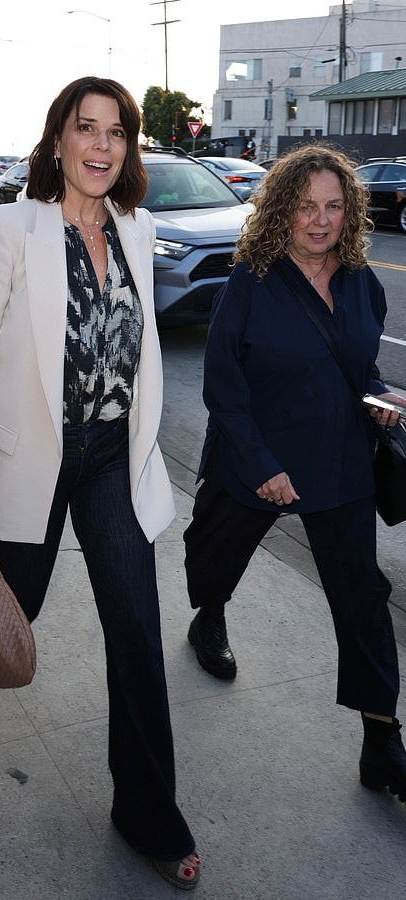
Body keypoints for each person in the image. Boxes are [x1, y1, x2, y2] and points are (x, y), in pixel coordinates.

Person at [0, 76, 201, 889]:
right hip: (30, 462)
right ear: (58, 140)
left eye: (116, 132)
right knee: (19, 606)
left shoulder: (138, 225)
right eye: (86, 129)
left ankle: (148, 813)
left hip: (111, 461)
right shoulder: (8, 228)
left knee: (137, 634)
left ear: (128, 149)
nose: (101, 145)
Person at [183, 143, 406, 804]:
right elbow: (224, 387)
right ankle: (209, 616)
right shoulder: (249, 281)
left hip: (338, 461)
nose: (319, 219)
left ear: (349, 212)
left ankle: (381, 742)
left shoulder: (363, 281)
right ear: (283, 208)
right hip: (258, 457)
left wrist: (380, 401)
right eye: (306, 204)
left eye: (334, 206)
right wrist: (261, 467)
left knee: (362, 596)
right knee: (217, 553)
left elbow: (357, 370)